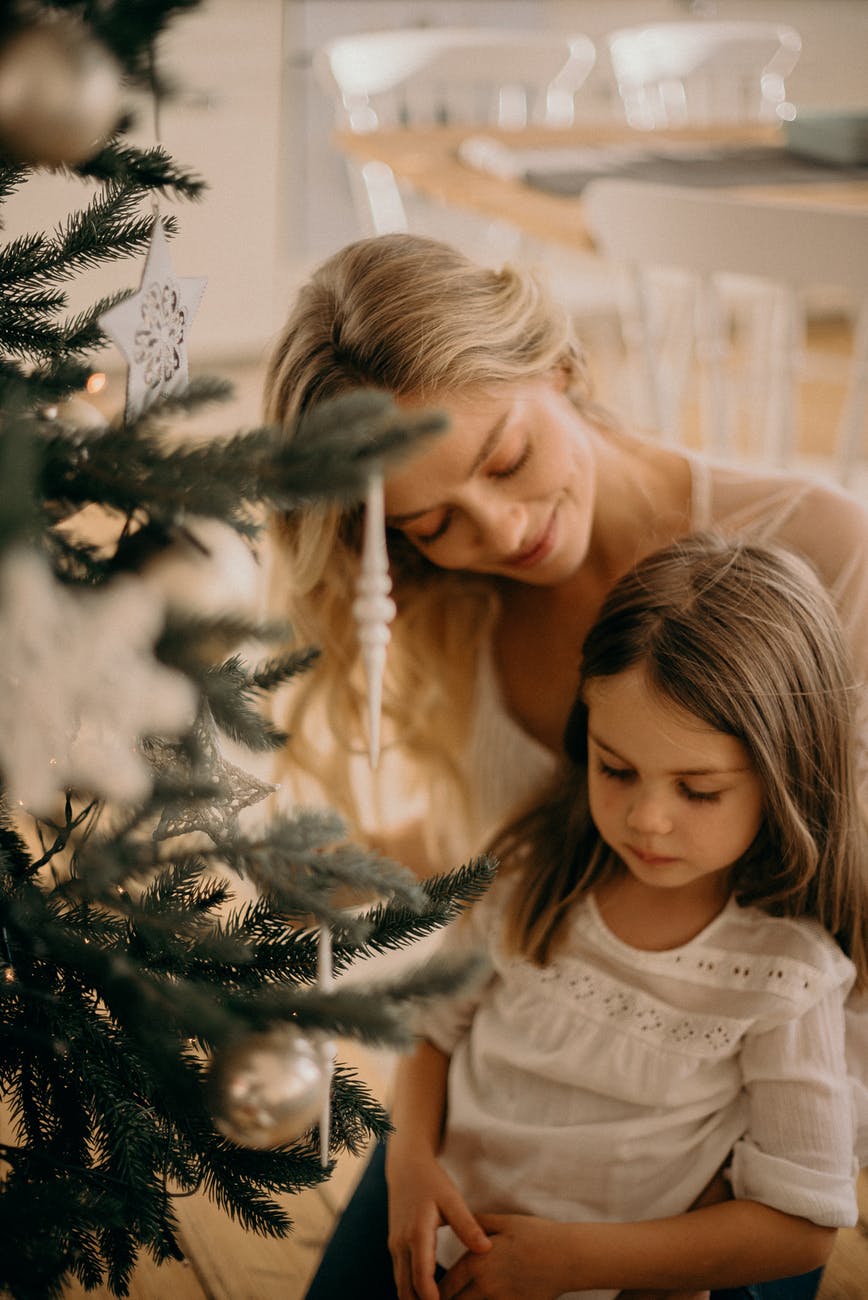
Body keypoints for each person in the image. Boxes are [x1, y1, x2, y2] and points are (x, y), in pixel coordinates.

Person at [263, 234, 868, 1295]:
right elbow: (499, 871)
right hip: (506, 1106)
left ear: (558, 364)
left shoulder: (828, 555)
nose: (501, 530)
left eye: (506, 459)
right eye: (433, 520)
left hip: (735, 1125)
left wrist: (671, 1215)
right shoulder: (448, 609)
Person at [307, 534, 867, 1300]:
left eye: (698, 790)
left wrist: (574, 1264)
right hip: (438, 1245)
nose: (647, 819)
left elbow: (801, 1226)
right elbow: (433, 1031)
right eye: (617, 768)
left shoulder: (785, 976)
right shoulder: (531, 874)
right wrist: (408, 1168)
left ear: (785, 776)